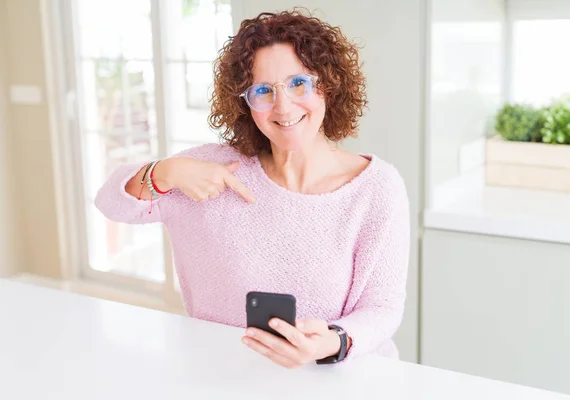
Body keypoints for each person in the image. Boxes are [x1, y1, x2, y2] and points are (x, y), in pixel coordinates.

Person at [95, 9, 409, 368]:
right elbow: (110, 203)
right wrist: (164, 172)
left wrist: (333, 340)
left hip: (342, 376)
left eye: (298, 83)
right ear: (245, 103)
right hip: (226, 376)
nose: (283, 106)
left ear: (328, 83)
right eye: (263, 90)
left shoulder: (375, 188)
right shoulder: (214, 170)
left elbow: (382, 308)